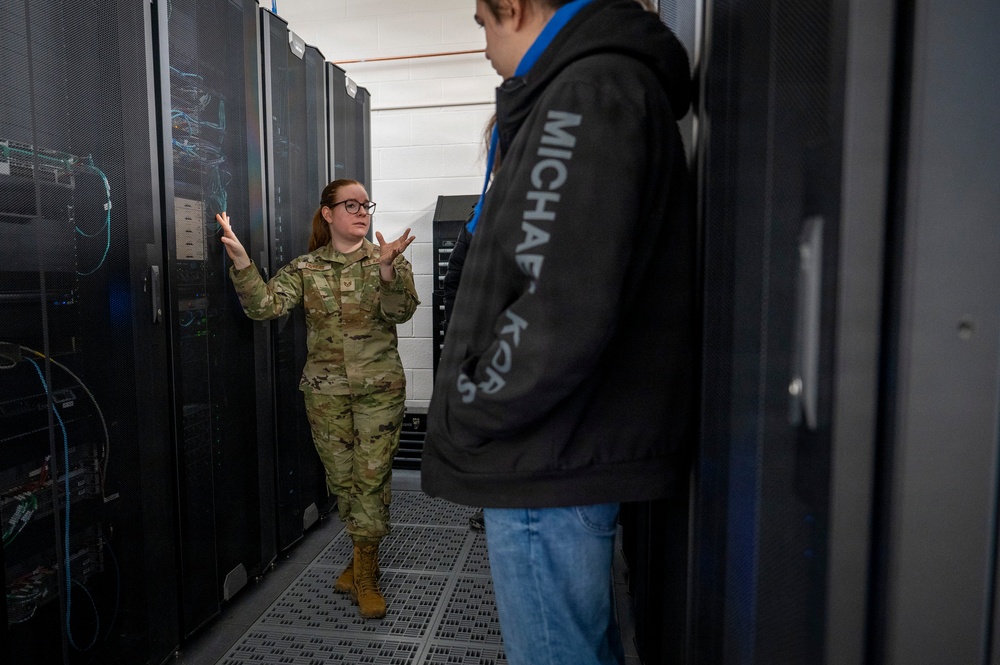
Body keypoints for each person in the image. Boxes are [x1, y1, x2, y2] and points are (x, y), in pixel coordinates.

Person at [421, 0, 696, 663]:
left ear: (511, 8)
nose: (486, 47)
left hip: (544, 451)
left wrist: (474, 401)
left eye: (484, 25)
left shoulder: (585, 92)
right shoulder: (590, 89)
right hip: (560, 447)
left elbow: (558, 302)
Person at [216, 178, 419, 619]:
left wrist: (386, 270)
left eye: (367, 204)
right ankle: (359, 555)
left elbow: (400, 312)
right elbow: (264, 307)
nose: (363, 211)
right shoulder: (306, 268)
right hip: (326, 394)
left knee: (371, 477)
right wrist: (241, 259)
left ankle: (366, 571)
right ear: (328, 214)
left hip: (378, 391)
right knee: (342, 481)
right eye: (352, 204)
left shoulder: (390, 259)